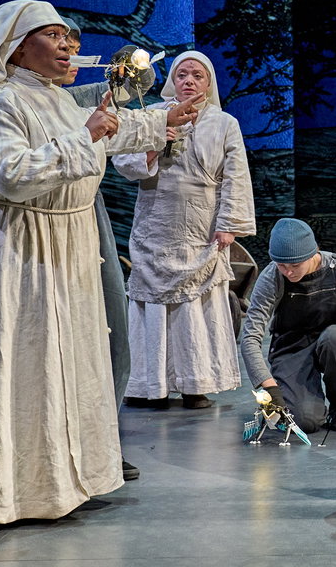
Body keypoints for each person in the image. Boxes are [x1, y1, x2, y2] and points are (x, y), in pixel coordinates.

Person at [0, 0, 197, 536]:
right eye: (54, 36)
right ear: (15, 49)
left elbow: (108, 128)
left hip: (64, 247)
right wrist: (89, 135)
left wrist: (162, 119)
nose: (68, 46)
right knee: (3, 362)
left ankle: (49, 485)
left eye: (69, 37)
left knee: (59, 365)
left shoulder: (55, 97)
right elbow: (12, 173)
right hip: (13, 246)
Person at [113, 51, 255, 410]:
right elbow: (123, 162)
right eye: (182, 74)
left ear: (209, 83)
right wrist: (153, 146)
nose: (189, 81)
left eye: (197, 75)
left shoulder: (224, 123)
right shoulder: (152, 115)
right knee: (152, 303)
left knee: (196, 304)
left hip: (201, 229)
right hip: (156, 222)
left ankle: (195, 384)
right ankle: (150, 385)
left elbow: (235, 176)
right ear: (172, 81)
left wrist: (228, 225)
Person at [57, 19, 155, 481]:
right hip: (46, 230)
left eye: (75, 46)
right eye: (60, 43)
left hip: (86, 216)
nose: (70, 53)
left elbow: (136, 88)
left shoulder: (75, 96)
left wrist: (130, 68)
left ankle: (102, 441)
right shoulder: (11, 100)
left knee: (112, 329)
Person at [239, 218, 336, 433]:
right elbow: (250, 337)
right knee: (304, 421)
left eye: (295, 265)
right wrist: (269, 387)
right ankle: (301, 399)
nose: (289, 272)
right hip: (292, 346)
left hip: (333, 340)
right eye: (282, 265)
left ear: (313, 253)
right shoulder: (272, 277)